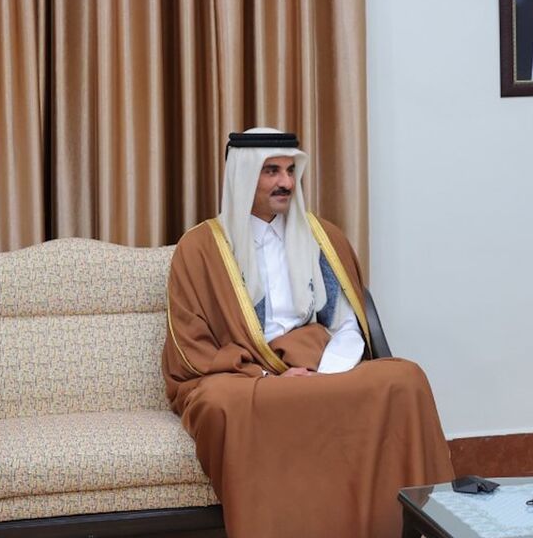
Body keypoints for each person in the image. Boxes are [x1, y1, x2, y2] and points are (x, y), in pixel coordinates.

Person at [162, 128, 454, 538]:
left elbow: (348, 322)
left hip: (318, 365)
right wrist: (269, 378)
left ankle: (402, 526)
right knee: (219, 403)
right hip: (244, 377)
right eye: (272, 171)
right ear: (244, 176)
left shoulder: (322, 236)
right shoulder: (199, 248)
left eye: (290, 170)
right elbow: (191, 346)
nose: (286, 182)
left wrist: (327, 372)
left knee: (405, 379)